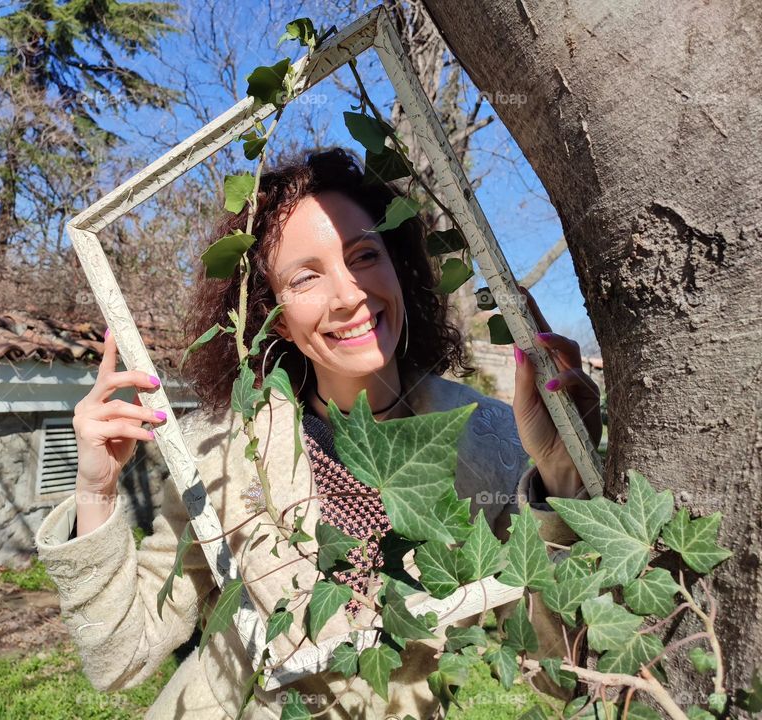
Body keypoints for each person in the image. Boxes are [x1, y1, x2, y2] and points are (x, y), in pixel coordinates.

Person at [35, 148, 602, 718]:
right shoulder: (224, 453)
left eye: (364, 255)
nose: (349, 294)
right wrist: (96, 490)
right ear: (275, 314)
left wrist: (559, 480)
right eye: (306, 276)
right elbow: (120, 657)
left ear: (398, 269)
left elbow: (564, 672)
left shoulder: (493, 441)